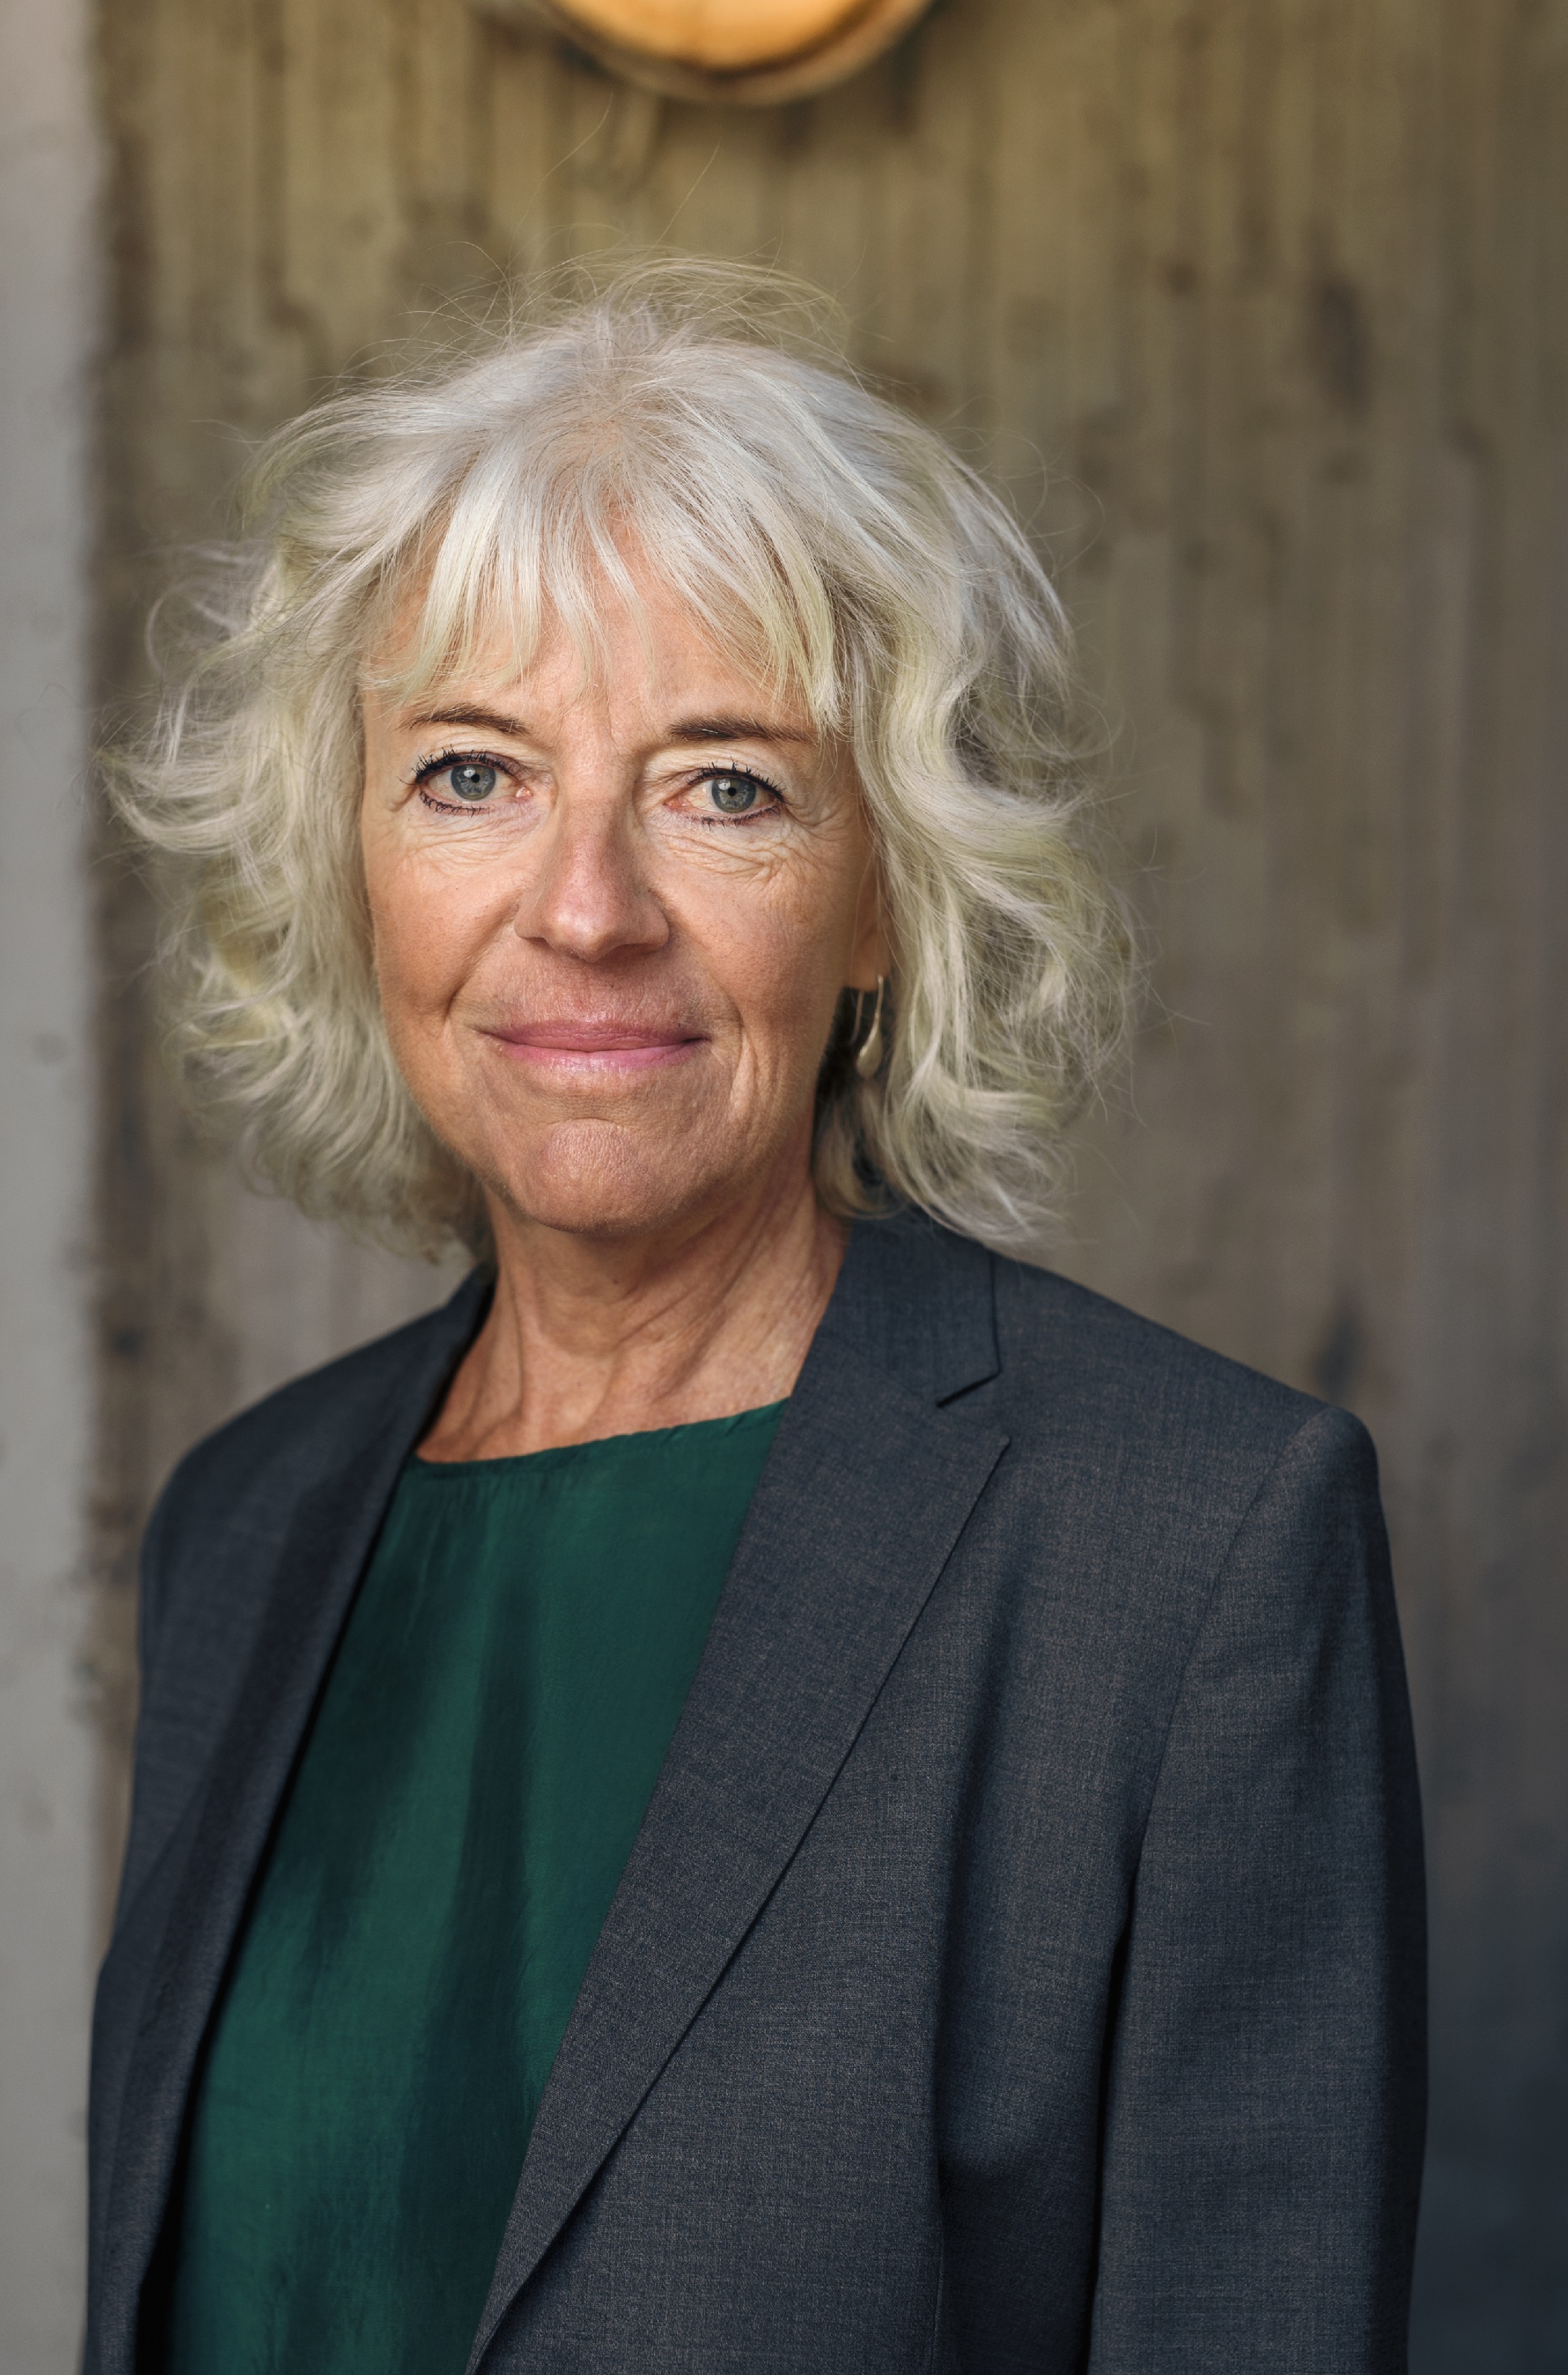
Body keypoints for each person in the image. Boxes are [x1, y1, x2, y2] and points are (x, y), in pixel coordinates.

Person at [83, 266, 1424, 2374]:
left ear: (886, 883)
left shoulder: (1187, 1547)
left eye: (726, 785)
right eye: (469, 775)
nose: (588, 904)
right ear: (353, 866)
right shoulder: (242, 1529)